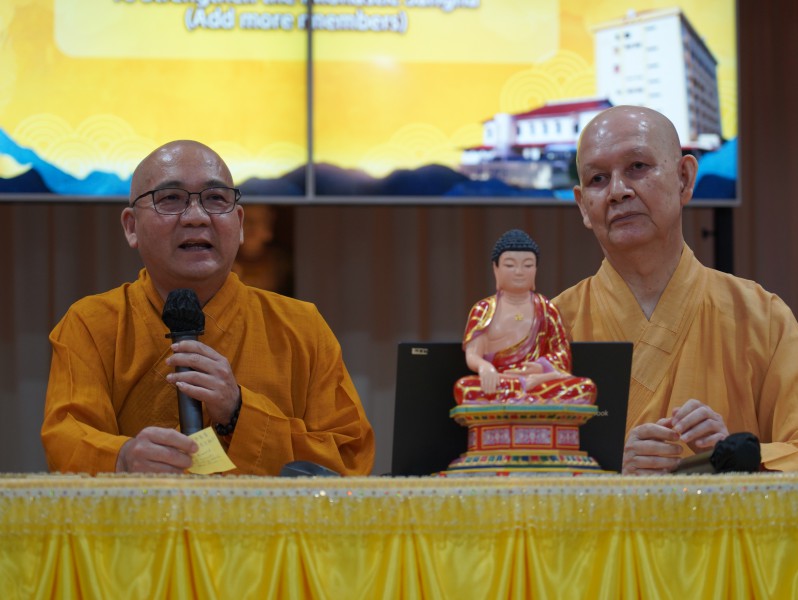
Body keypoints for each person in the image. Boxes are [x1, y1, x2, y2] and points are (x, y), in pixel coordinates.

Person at [41, 140, 375, 476]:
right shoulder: (91, 324)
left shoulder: (301, 327)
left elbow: (348, 459)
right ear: (131, 227)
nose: (196, 217)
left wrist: (239, 412)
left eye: (215, 199)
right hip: (144, 511)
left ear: (239, 224)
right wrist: (122, 458)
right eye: (170, 199)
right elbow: (66, 439)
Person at [552, 105, 798, 474]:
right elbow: (518, 469)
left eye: (638, 167)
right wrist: (604, 467)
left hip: (728, 515)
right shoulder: (551, 327)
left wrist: (735, 456)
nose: (618, 191)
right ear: (583, 205)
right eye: (598, 178)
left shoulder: (762, 317)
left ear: (684, 178)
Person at [454, 229, 595, 405]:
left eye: (528, 265)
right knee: (465, 388)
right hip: (501, 381)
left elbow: (561, 352)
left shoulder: (546, 309)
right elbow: (473, 354)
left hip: (538, 382)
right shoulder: (484, 309)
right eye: (510, 265)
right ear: (496, 269)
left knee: (585, 387)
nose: (519, 272)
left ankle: (520, 401)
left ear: (535, 269)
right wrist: (485, 367)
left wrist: (542, 369)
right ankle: (528, 401)